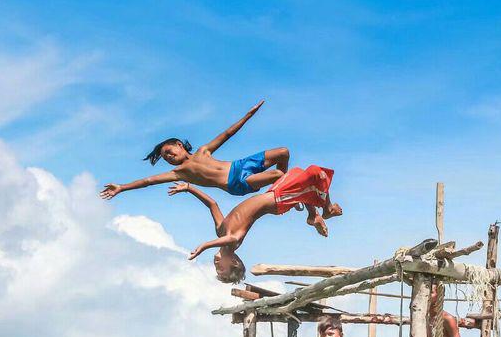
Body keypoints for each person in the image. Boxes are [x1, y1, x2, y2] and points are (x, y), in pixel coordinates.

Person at [177, 164, 342, 283]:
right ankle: (325, 210)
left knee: (299, 174)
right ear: (234, 262)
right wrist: (204, 246)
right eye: (221, 269)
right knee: (314, 173)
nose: (216, 266)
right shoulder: (234, 242)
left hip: (273, 194)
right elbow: (230, 238)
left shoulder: (220, 231)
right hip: (277, 201)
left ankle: (313, 215)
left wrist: (190, 188)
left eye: (217, 270)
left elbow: (212, 204)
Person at [99, 100, 291, 201]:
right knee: (277, 174)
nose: (169, 157)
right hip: (236, 182)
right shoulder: (179, 173)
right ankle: (285, 192)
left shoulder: (203, 151)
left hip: (240, 165)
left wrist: (248, 115)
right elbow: (148, 181)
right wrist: (122, 187)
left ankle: (286, 190)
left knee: (283, 152)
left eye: (169, 152)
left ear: (179, 145)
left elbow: (226, 134)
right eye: (166, 158)